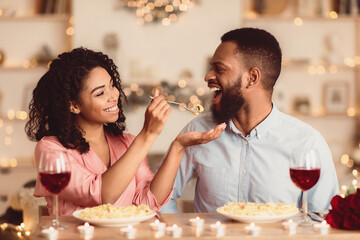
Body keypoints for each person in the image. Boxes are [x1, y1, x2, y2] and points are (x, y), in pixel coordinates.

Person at [25, 47, 226, 216]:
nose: (114, 96)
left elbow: (148, 203)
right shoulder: (51, 149)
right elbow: (100, 195)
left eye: (112, 86)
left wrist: (178, 147)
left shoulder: (126, 143)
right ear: (74, 105)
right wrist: (147, 135)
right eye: (100, 93)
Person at [160, 28, 339, 213]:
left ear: (252, 78)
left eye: (219, 69)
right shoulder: (197, 131)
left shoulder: (307, 142)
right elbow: (159, 199)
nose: (208, 77)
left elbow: (322, 217)